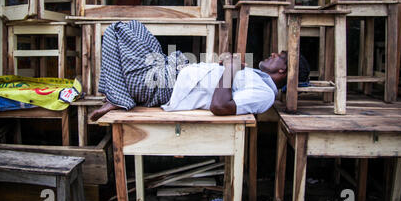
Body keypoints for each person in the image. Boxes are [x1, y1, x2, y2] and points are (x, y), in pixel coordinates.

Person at [89, 20, 309, 121]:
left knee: (117, 29)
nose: (272, 54)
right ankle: (118, 95)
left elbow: (220, 106)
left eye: (279, 56)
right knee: (134, 26)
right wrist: (224, 63)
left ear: (283, 71)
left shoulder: (265, 94)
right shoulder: (255, 77)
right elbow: (223, 82)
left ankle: (118, 97)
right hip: (171, 68)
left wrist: (230, 70)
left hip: (162, 87)